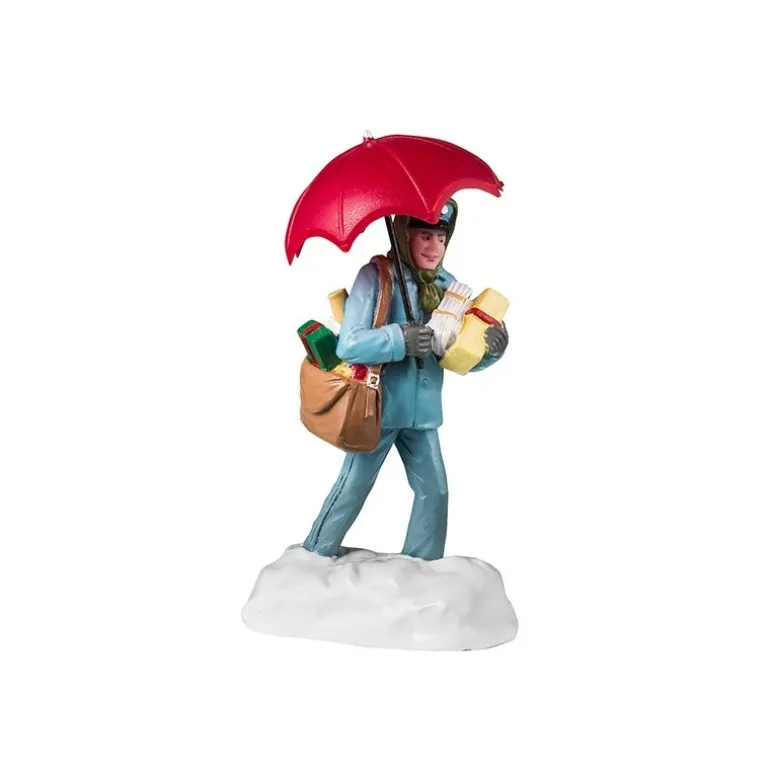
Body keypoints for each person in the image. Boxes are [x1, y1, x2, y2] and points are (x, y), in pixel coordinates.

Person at [302, 199, 508, 561]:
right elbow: (350, 344)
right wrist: (400, 339)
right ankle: (315, 554)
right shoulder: (375, 278)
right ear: (403, 235)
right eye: (425, 236)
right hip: (378, 408)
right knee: (354, 486)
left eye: (441, 238)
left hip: (422, 414)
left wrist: (490, 350)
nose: (434, 248)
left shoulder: (447, 286)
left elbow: (456, 353)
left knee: (435, 491)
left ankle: (423, 565)